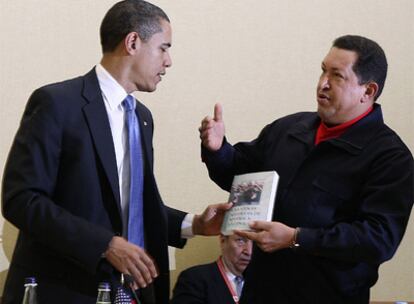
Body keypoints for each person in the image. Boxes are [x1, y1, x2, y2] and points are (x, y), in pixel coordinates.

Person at [1, 1, 230, 303]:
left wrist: (195, 224)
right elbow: (21, 199)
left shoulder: (142, 118)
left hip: (127, 293)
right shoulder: (57, 103)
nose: (169, 61)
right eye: (164, 48)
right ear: (133, 42)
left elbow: (130, 208)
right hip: (62, 291)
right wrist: (104, 245)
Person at [199, 35, 414, 303]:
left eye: (337, 76)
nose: (322, 83)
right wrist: (218, 150)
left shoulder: (391, 157)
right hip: (260, 291)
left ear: (368, 91)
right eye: (323, 70)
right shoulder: (289, 128)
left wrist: (297, 238)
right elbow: (242, 176)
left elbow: (378, 239)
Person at [171, 234, 252, 304]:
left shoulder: (261, 281)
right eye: (240, 240)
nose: (249, 251)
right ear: (223, 240)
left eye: (255, 243)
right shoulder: (193, 279)